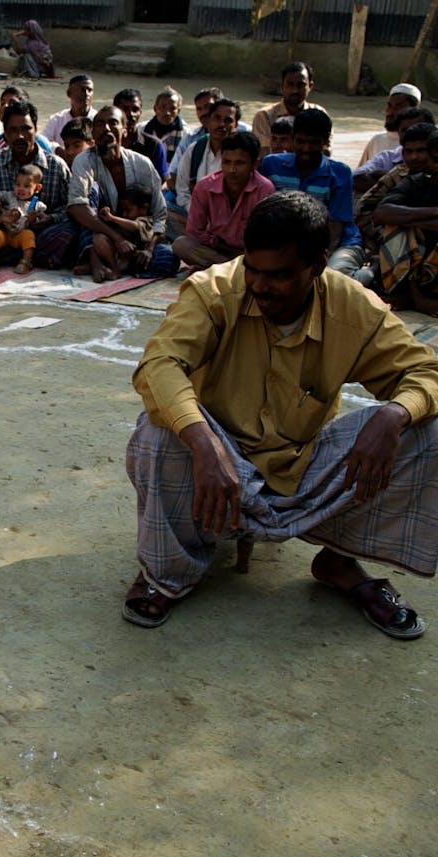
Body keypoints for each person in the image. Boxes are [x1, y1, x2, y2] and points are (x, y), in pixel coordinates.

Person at [124, 191, 438, 639]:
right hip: (217, 461)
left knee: (428, 429)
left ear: (317, 265)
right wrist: (203, 442)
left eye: (280, 275)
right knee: (160, 430)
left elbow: (426, 372)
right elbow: (159, 365)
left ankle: (338, 557)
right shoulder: (215, 290)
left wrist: (393, 415)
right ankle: (166, 573)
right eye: (253, 269)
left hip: (302, 461)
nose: (260, 285)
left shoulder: (353, 306)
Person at [68, 108, 173, 282]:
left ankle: (117, 264)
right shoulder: (84, 160)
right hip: (102, 232)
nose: (107, 129)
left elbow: (159, 214)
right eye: (100, 124)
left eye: (113, 123)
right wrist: (117, 238)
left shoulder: (142, 164)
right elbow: (76, 206)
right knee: (91, 191)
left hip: (137, 237)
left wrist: (149, 248)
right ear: (93, 132)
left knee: (167, 260)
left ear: (125, 130)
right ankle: (99, 261)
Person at [260, 109, 363, 278]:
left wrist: (311, 262)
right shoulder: (271, 165)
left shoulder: (340, 173)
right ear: (293, 138)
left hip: (337, 245)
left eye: (314, 143)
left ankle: (369, 273)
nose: (306, 149)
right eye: (301, 141)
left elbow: (335, 230)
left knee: (330, 279)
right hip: (288, 245)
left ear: (326, 141)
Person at [0, 100, 77, 269]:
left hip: (41, 235)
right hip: (2, 234)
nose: (20, 136)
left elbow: (69, 208)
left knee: (65, 234)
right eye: (13, 130)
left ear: (36, 130)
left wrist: (48, 219)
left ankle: (22, 257)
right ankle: (15, 258)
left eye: (26, 129)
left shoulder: (56, 166)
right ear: (5, 134)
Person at [174, 131, 274, 269]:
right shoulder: (205, 186)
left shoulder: (264, 189)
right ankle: (233, 270)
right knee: (181, 245)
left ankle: (219, 269)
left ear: (254, 164)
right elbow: (194, 231)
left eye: (240, 163)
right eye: (227, 162)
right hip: (217, 250)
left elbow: (265, 238)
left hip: (248, 254)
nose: (232, 169)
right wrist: (216, 243)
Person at [373, 130, 438, 315]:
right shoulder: (416, 182)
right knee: (395, 228)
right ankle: (409, 293)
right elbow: (381, 213)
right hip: (419, 258)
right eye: (434, 160)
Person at [357, 121, 437, 263]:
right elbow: (371, 211)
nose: (414, 157)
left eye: (420, 151)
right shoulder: (400, 175)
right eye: (409, 151)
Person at [174, 98, 241, 215]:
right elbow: (182, 190)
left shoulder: (241, 155)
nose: (221, 124)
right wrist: (197, 213)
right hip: (195, 213)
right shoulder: (195, 149)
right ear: (209, 121)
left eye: (228, 120)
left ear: (235, 125)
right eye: (217, 118)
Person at [252, 61, 326, 158]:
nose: (295, 90)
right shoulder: (264, 116)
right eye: (290, 84)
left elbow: (325, 151)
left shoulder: (319, 115)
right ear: (282, 86)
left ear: (310, 86)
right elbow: (264, 153)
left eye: (301, 85)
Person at [353, 106, 434, 193]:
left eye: (417, 127)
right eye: (405, 129)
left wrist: (386, 181)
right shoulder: (386, 158)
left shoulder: (434, 159)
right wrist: (393, 181)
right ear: (397, 132)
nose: (411, 132)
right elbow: (356, 178)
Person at [0, 165, 45, 275]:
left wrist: (33, 220)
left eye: (26, 186)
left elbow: (41, 218)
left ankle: (26, 262)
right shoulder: (10, 196)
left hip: (20, 235)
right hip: (6, 233)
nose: (21, 189)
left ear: (37, 188)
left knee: (29, 235)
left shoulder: (37, 204)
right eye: (17, 185)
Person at [358, 83, 423, 168]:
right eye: (389, 106)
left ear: (412, 110)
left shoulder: (423, 141)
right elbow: (361, 175)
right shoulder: (377, 141)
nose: (390, 112)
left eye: (398, 107)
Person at [114, 88, 168, 178]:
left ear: (140, 112)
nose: (131, 114)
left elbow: (161, 180)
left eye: (135, 109)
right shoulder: (104, 141)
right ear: (114, 111)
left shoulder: (154, 145)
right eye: (125, 109)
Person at [40, 75, 95, 149]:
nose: (86, 94)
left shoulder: (98, 120)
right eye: (82, 89)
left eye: (90, 90)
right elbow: (41, 141)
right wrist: (57, 149)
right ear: (69, 93)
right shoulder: (57, 119)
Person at [142, 85, 186, 160]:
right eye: (163, 107)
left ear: (178, 111)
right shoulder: (142, 130)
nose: (167, 113)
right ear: (155, 109)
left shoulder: (185, 134)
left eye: (172, 108)